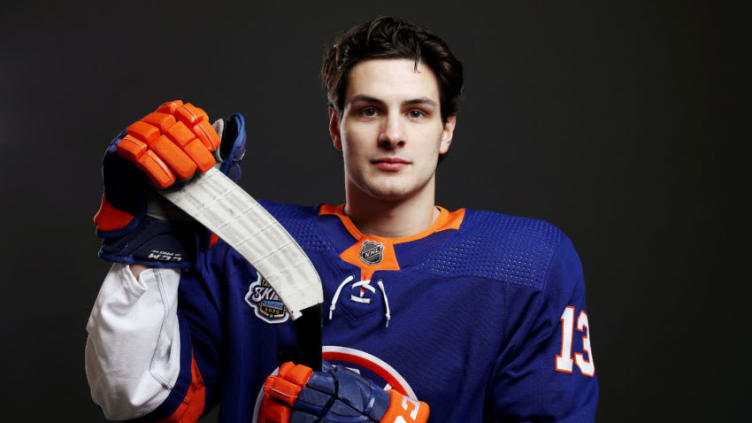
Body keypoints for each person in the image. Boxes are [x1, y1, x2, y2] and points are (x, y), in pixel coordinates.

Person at [86, 16, 598, 423]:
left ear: (446, 131)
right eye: (369, 110)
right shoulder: (245, 242)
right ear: (337, 127)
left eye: (417, 113)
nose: (393, 134)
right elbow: (138, 399)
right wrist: (150, 246)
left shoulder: (528, 264)